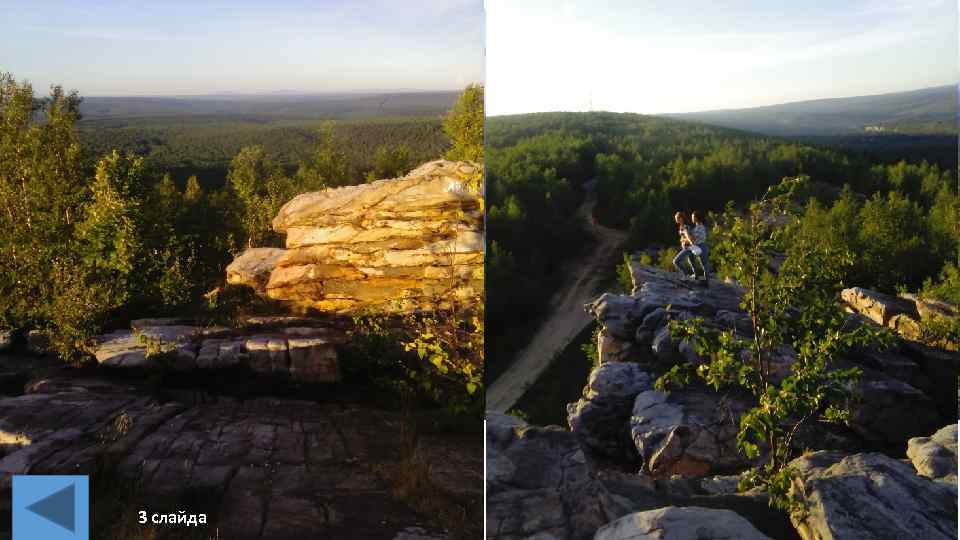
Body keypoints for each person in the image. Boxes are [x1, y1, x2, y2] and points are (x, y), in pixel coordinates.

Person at [672, 211, 697, 279]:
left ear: (681, 218)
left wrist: (688, 241)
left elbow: (688, 236)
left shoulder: (685, 227)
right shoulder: (682, 226)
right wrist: (682, 240)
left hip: (688, 247)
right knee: (691, 261)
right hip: (688, 246)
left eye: (676, 218)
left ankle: (686, 274)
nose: (675, 219)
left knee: (676, 261)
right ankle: (696, 275)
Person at [690, 211, 710, 287]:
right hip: (699, 246)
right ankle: (697, 275)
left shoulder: (700, 227)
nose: (691, 218)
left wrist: (686, 234)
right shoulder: (697, 226)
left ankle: (706, 281)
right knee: (691, 257)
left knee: (704, 264)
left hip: (701, 246)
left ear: (696, 218)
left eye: (693, 217)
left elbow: (693, 238)